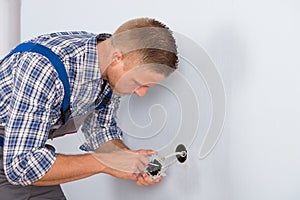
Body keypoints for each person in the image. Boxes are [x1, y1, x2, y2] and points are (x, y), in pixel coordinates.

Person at [0, 17, 178, 199]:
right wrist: (105, 163)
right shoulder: (43, 68)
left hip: (23, 150)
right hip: (17, 156)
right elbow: (20, 166)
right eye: (138, 83)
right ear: (117, 58)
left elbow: (99, 130)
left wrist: (126, 161)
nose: (141, 93)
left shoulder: (107, 67)